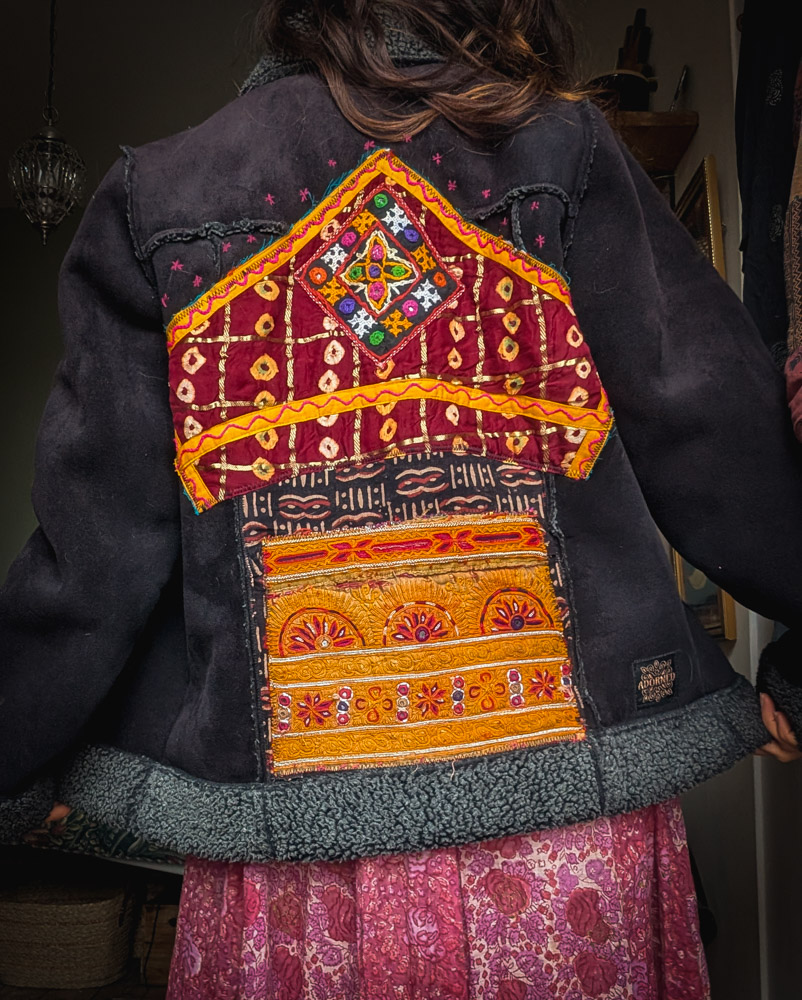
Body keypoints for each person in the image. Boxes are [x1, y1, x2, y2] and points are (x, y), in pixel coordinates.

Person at [1, 1, 801, 996]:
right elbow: (707, 423)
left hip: (292, 853)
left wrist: (20, 754)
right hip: (565, 837)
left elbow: (94, 555)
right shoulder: (563, 148)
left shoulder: (159, 193)